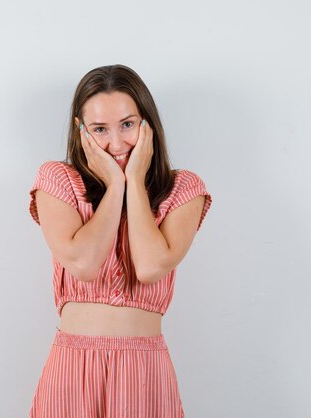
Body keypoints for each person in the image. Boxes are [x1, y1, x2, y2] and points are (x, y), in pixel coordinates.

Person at [27, 64, 213, 418]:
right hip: (72, 368)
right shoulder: (58, 180)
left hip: (144, 371)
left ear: (148, 123)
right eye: (100, 129)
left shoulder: (184, 189)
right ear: (81, 132)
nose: (116, 143)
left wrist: (135, 182)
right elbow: (83, 263)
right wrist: (114, 186)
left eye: (128, 124)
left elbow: (149, 266)